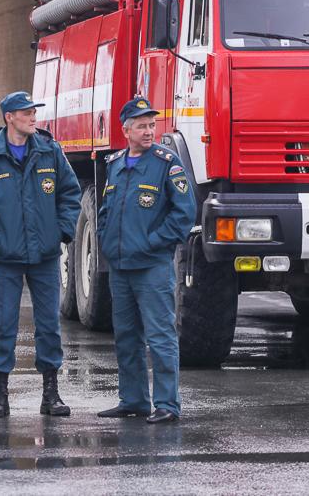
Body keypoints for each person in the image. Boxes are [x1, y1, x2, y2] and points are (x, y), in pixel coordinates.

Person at [0, 91, 81, 419]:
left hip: (44, 255)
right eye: (25, 112)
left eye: (33, 112)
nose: (32, 117)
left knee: (49, 325)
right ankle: (0, 395)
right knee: (4, 325)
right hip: (7, 258)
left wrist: (61, 232)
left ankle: (51, 394)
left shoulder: (49, 151)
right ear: (9, 117)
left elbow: (70, 194)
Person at [96, 98, 196, 424]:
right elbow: (106, 210)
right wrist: (106, 241)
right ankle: (134, 400)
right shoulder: (115, 163)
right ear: (126, 130)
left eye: (152, 124)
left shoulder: (167, 163)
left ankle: (167, 404)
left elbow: (184, 215)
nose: (149, 130)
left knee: (160, 336)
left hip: (151, 266)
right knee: (126, 337)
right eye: (141, 125)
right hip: (121, 267)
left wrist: (153, 244)